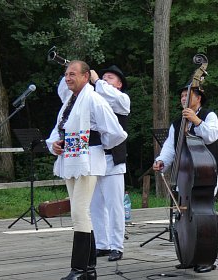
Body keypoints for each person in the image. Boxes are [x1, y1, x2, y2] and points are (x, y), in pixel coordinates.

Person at [46, 60, 127, 280]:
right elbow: (59, 128)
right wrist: (53, 144)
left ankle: (79, 269)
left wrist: (101, 146)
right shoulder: (69, 102)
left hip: (88, 159)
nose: (68, 78)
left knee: (80, 212)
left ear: (85, 76)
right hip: (71, 159)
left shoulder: (94, 99)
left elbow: (116, 132)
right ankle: (89, 269)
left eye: (72, 74)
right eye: (66, 74)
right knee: (81, 212)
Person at [152, 83, 218, 273]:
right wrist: (161, 161)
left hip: (204, 175)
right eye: (182, 96)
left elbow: (212, 136)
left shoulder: (209, 115)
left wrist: (197, 121)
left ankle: (206, 259)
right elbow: (169, 148)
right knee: (185, 217)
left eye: (188, 95)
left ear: (198, 98)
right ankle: (188, 256)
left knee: (203, 215)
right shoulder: (177, 123)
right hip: (185, 178)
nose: (183, 98)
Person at [89, 65, 130, 262]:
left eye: (110, 78)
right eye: (104, 77)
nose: (105, 80)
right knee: (95, 205)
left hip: (113, 159)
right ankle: (102, 244)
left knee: (115, 206)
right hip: (95, 158)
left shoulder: (122, 99)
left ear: (119, 84)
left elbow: (110, 95)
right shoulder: (94, 101)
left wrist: (97, 81)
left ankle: (117, 246)